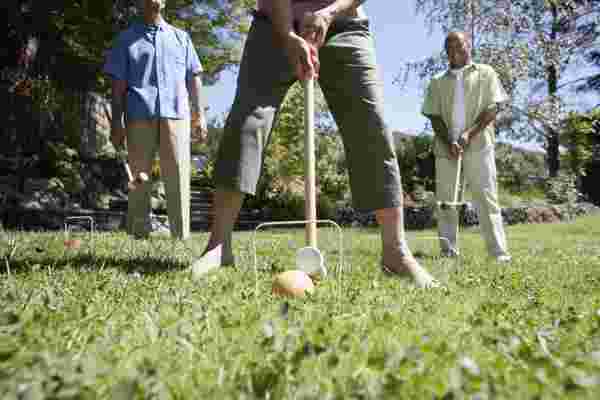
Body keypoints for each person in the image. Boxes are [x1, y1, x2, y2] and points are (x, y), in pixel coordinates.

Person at [192, 0, 439, 288]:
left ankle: (395, 252)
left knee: (371, 126)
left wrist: (329, 13)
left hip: (344, 24)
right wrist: (287, 34)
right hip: (273, 23)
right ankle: (218, 246)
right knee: (247, 121)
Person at [104, 0, 207, 240]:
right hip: (138, 114)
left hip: (177, 115)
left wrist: (199, 114)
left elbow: (194, 77)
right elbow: (117, 86)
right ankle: (138, 233)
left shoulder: (181, 38)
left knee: (179, 174)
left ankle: (180, 237)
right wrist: (116, 123)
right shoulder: (125, 39)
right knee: (139, 176)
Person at [422, 31, 511, 262]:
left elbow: (493, 108)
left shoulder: (486, 73)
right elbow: (434, 116)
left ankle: (499, 253)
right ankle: (448, 252)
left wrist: (467, 136)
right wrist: (449, 141)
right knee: (446, 202)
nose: (455, 51)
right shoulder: (437, 82)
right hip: (446, 149)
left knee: (486, 197)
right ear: (446, 53)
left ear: (468, 45)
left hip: (479, 145)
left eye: (459, 46)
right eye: (449, 48)